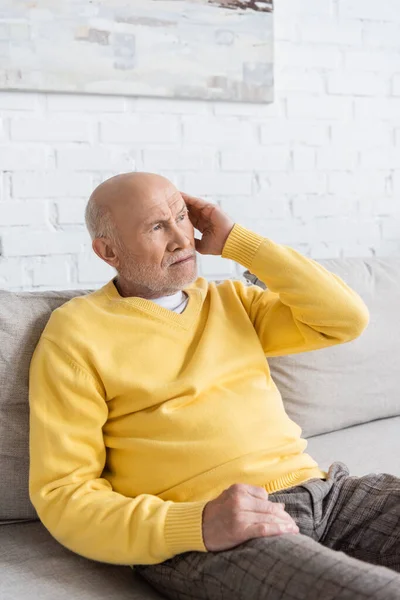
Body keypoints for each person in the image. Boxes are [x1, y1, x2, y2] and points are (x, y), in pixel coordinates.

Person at [29, 172, 400, 600]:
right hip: (212, 533)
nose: (181, 239)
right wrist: (195, 524)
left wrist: (236, 241)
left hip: (326, 494)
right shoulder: (76, 332)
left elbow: (345, 318)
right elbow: (64, 494)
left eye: (182, 217)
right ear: (108, 250)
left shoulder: (231, 300)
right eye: (156, 226)